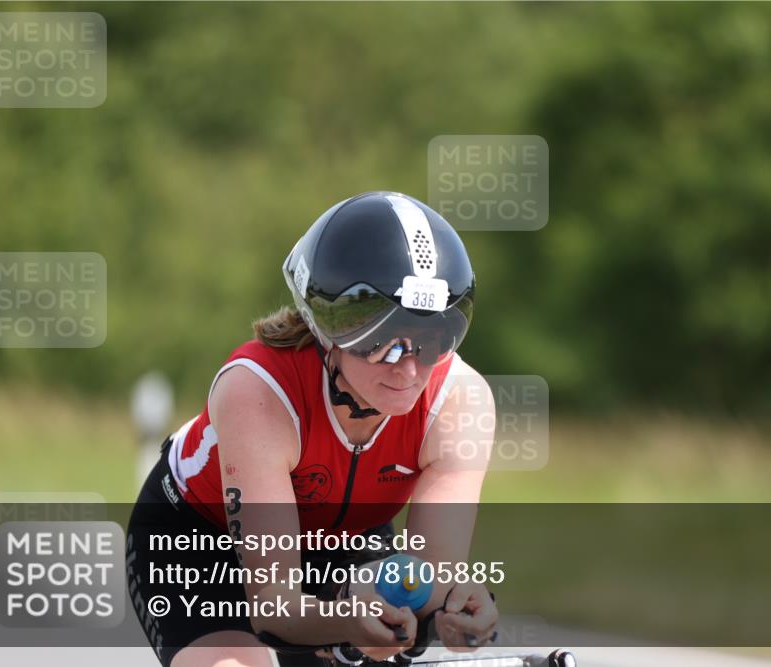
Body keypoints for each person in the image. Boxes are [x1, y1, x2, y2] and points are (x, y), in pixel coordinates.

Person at [126, 192, 498, 667]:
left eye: (432, 340)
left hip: (342, 544)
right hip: (198, 546)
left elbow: (430, 579)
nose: (408, 370)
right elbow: (274, 607)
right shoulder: (257, 391)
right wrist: (345, 622)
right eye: (384, 343)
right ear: (330, 332)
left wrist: (456, 608)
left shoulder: (459, 401)